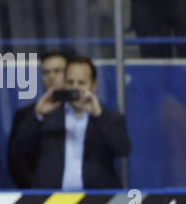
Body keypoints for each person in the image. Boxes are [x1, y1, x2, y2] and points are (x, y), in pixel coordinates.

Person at [9, 54, 130, 190]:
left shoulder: (108, 117)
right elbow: (18, 150)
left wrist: (99, 115)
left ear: (94, 85)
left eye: (81, 83)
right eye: (70, 82)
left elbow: (123, 149)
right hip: (50, 201)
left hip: (97, 201)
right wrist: (38, 116)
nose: (75, 87)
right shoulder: (46, 114)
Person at [7, 50, 69, 187]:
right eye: (46, 72)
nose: (51, 76)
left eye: (57, 71)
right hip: (38, 197)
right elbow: (16, 159)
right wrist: (35, 190)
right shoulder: (26, 115)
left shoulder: (84, 111)